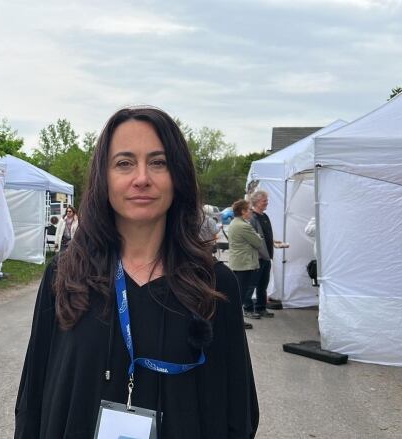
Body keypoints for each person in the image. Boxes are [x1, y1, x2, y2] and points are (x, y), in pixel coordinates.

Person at [15, 107, 258, 438]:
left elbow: (238, 413)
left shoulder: (214, 286)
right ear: (104, 177)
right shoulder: (65, 276)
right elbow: (33, 399)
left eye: (158, 162)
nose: (141, 178)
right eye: (124, 163)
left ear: (178, 176)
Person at [228, 199, 270, 320]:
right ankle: (236, 320)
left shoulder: (235, 223)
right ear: (243, 211)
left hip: (239, 263)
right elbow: (258, 242)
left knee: (240, 292)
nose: (251, 212)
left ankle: (236, 319)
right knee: (241, 293)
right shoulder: (244, 226)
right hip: (244, 264)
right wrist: (259, 236)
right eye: (249, 209)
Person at [247, 190, 280, 316]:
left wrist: (273, 242)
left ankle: (261, 307)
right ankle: (248, 309)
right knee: (252, 284)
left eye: (266, 200)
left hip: (266, 257)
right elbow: (253, 238)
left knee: (263, 285)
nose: (267, 202)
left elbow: (265, 236)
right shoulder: (252, 218)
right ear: (257, 202)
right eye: (264, 200)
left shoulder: (265, 216)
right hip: (257, 257)